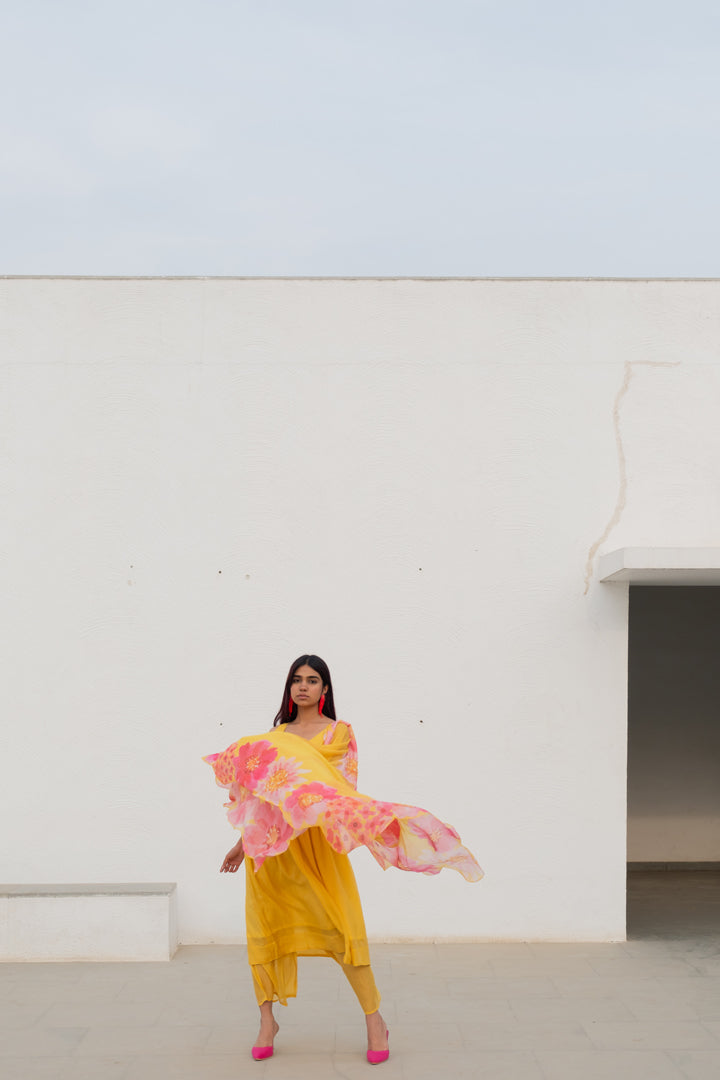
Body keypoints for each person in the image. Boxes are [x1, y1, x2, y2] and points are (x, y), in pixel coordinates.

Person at [204, 654, 482, 1064]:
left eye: (312, 680)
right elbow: (261, 801)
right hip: (273, 855)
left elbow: (341, 792)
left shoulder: (339, 734)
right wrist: (241, 845)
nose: (303, 687)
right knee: (265, 930)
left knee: (344, 931)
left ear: (325, 689)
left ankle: (374, 1020)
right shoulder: (275, 736)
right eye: (297, 680)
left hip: (317, 849)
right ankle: (267, 1021)